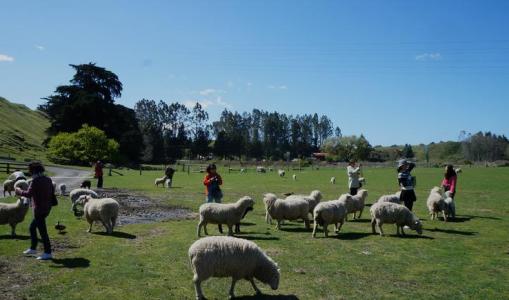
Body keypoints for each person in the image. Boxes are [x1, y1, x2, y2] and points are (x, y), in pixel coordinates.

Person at [15, 162, 54, 261]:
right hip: (47, 208)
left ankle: (48, 252)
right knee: (32, 227)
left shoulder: (35, 181)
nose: (29, 172)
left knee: (43, 232)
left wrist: (18, 190)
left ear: (33, 171)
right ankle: (33, 248)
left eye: (30, 170)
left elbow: (28, 194)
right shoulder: (48, 179)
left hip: (39, 210)